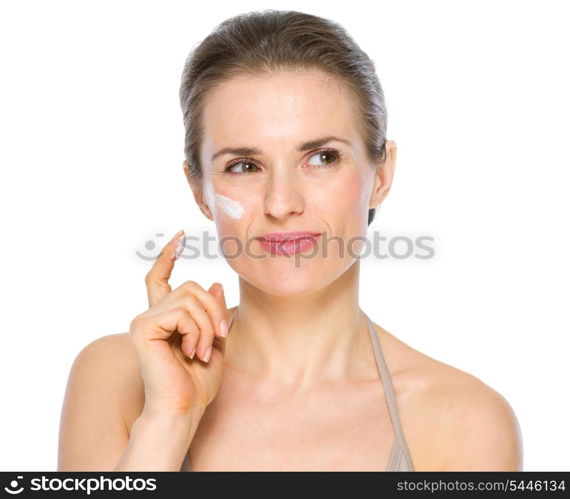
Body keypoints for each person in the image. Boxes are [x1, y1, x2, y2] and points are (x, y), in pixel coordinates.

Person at [58, 9, 523, 471]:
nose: (282, 203)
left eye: (322, 157)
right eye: (244, 166)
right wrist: (167, 419)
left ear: (381, 175)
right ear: (200, 191)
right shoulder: (117, 378)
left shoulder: (467, 421)